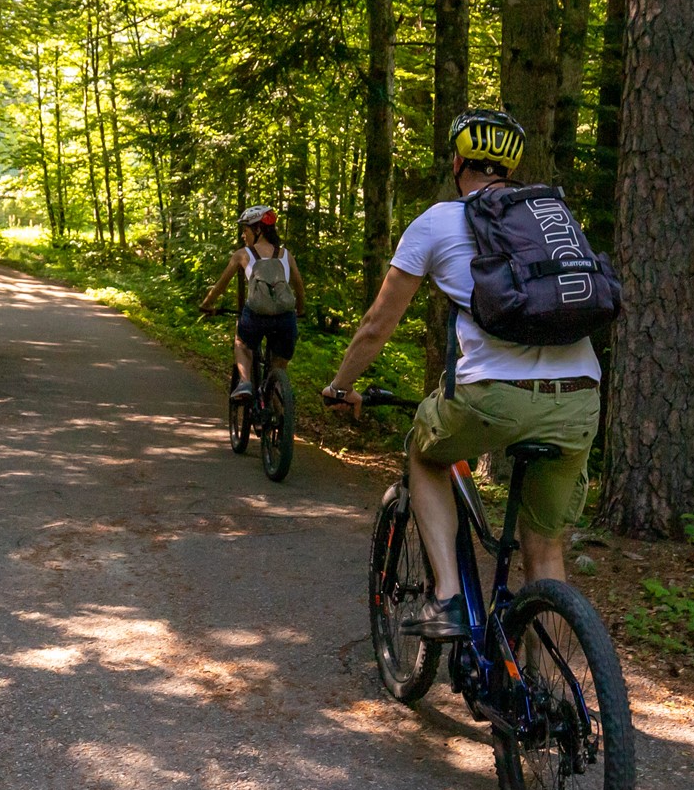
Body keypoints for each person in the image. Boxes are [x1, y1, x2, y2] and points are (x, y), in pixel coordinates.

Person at [320, 109, 599, 639]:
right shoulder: (554, 218)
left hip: (492, 396)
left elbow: (378, 324)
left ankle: (446, 596)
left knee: (425, 452)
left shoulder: (437, 222)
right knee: (545, 553)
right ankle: (552, 705)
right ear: (510, 167)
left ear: (457, 162)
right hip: (581, 397)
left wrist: (340, 386)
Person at [197, 205, 304, 405]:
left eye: (245, 230)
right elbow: (299, 288)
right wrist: (300, 311)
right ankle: (278, 409)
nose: (243, 236)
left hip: (256, 316)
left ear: (258, 230)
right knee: (278, 366)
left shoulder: (242, 255)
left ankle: (245, 382)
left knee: (242, 342)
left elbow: (220, 286)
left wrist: (206, 304)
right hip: (285, 319)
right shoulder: (286, 255)